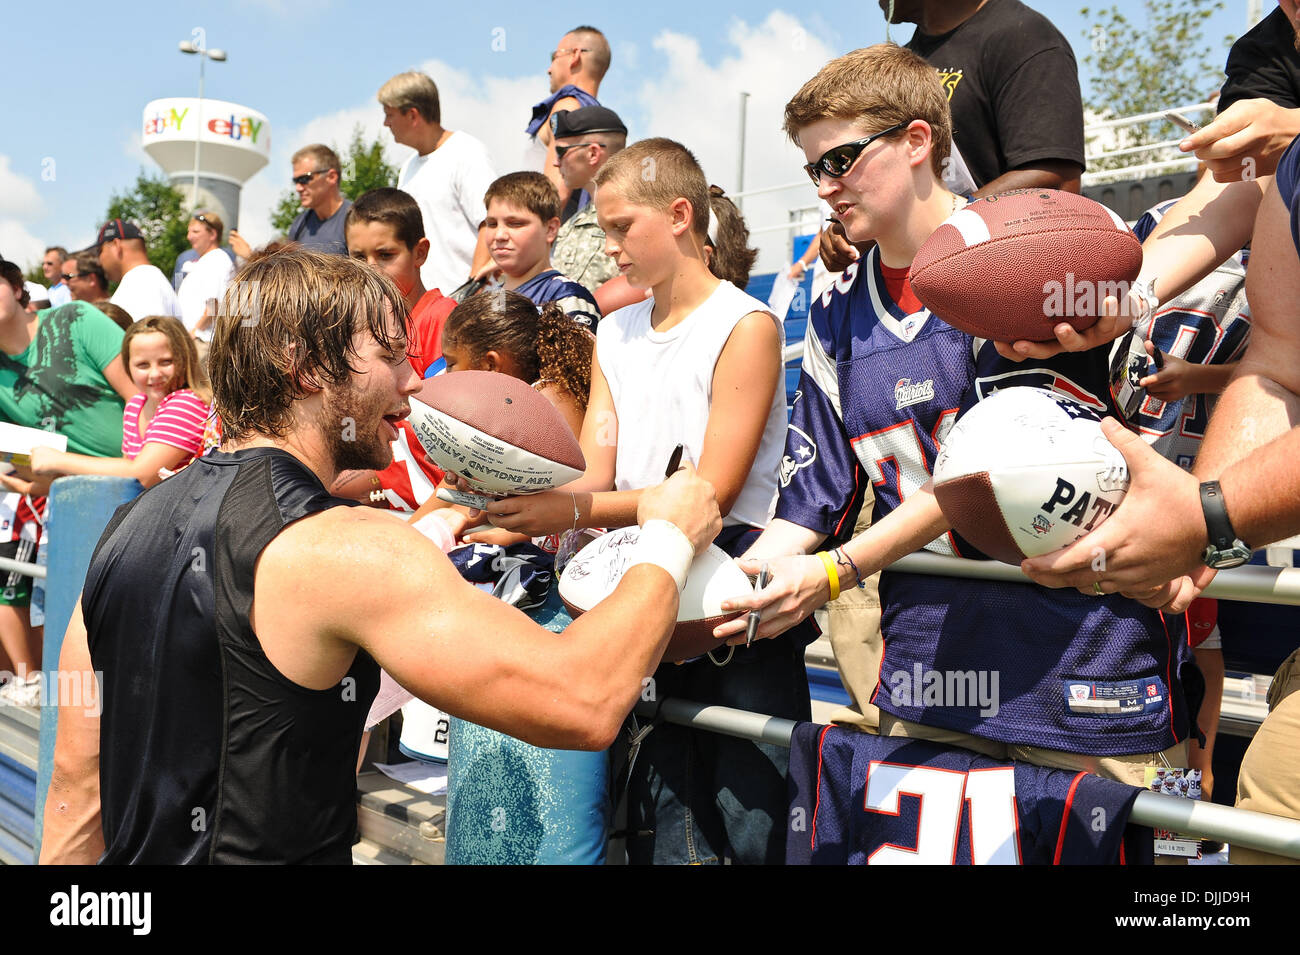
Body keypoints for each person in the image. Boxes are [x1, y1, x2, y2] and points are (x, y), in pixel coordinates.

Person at [39, 248, 722, 864]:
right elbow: (584, 698)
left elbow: (75, 796)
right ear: (303, 366)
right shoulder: (347, 546)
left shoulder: (123, 532)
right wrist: (668, 531)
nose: (414, 382)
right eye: (391, 356)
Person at [716, 46, 1193, 789]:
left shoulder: (1018, 259)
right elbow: (815, 494)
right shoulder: (837, 308)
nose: (826, 187)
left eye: (840, 159)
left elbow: (980, 478)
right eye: (815, 168)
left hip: (1078, 657)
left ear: (916, 142)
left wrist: (835, 571)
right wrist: (741, 582)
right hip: (931, 661)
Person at [471, 138, 803, 865]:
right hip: (642, 597)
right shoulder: (615, 332)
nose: (609, 247)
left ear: (680, 215)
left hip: (731, 604)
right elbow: (598, 469)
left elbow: (706, 493)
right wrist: (507, 497)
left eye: (621, 227)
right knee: (666, 830)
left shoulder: (746, 325)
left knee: (752, 827)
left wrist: (576, 513)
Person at [1019, 131, 1300, 865]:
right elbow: (1279, 365)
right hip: (1178, 503)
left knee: (1212, 739)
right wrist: (1120, 301)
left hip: (1219, 503)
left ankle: (1188, 805)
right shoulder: (1181, 222)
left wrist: (1211, 511)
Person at [817, 0, 1085, 272]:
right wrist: (857, 229)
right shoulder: (903, 66)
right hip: (933, 281)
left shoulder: (1023, 36)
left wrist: (944, 223)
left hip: (1014, 274)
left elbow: (1055, 178)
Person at [0, 262, 134, 705]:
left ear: (18, 288)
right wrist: (27, 484)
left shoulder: (77, 318)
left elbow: (149, 396)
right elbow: (19, 467)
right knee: (78, 652)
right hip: (74, 510)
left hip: (144, 492)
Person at [336, 187, 456, 510]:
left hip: (441, 523)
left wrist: (423, 529)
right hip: (395, 514)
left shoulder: (444, 323)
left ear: (420, 253)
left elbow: (464, 463)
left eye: (385, 255)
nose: (370, 269)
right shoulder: (359, 331)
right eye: (358, 257)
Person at [29, 316, 212, 489]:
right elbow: (127, 468)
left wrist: (58, 460)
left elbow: (143, 475)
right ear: (128, 367)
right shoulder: (136, 405)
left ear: (185, 359)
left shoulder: (187, 403)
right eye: (143, 365)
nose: (155, 374)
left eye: (166, 362)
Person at [379, 71, 495, 294]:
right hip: (424, 310)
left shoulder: (467, 152)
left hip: (465, 308)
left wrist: (471, 294)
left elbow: (490, 223)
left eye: (389, 114)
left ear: (413, 115)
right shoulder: (408, 168)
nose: (385, 123)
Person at [442, 292, 593, 443]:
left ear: (491, 364)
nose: (444, 375)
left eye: (450, 364)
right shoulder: (509, 403)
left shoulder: (548, 405)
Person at [481, 172, 601, 329]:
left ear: (551, 229)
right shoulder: (492, 298)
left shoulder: (565, 296)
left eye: (515, 223)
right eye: (492, 224)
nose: (499, 235)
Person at [531, 27, 611, 209]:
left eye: (554, 57)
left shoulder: (567, 108)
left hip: (555, 232)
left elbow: (554, 195)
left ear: (575, 55)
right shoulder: (604, 125)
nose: (548, 69)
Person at [550, 105, 627, 294]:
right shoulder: (571, 225)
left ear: (592, 153)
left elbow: (649, 282)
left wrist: (590, 307)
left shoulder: (637, 213)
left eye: (561, 152)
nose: (555, 162)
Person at [97, 220, 181, 321]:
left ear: (116, 245)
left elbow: (150, 335)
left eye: (100, 251)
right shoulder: (149, 279)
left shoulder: (139, 284)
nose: (99, 260)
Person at [177, 212, 235, 341]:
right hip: (198, 340)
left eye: (195, 232)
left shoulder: (216, 260)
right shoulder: (208, 260)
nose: (189, 237)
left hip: (203, 341)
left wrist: (193, 333)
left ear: (213, 234)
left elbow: (213, 306)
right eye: (189, 232)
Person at [287, 144, 352, 256]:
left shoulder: (354, 219)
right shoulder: (299, 225)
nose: (298, 188)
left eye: (304, 179)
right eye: (295, 181)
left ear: (331, 177)